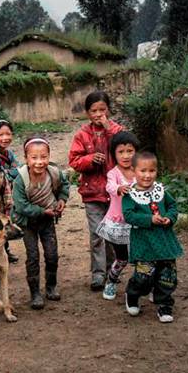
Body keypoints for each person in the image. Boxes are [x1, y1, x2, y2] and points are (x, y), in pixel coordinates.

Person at [68, 90, 125, 290]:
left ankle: (112, 271)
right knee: (97, 235)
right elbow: (74, 160)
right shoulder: (82, 134)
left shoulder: (117, 131)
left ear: (108, 110)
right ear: (87, 113)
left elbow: (125, 152)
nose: (98, 114)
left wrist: (109, 131)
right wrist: (90, 160)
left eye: (102, 109)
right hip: (92, 193)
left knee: (112, 234)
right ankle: (98, 274)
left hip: (114, 193)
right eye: (94, 110)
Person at [122, 151, 184, 323]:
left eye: (151, 171)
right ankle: (132, 294)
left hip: (165, 241)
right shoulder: (130, 194)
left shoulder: (161, 191)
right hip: (144, 243)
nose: (147, 175)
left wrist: (169, 218)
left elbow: (172, 206)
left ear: (157, 171)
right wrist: (149, 219)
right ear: (134, 170)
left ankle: (164, 304)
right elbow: (128, 215)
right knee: (144, 276)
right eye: (143, 171)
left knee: (167, 274)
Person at [11, 136, 68, 309]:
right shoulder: (20, 179)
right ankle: (35, 292)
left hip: (47, 221)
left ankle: (51, 287)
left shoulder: (54, 173)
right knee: (33, 256)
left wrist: (62, 200)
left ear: (49, 156)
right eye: (34, 158)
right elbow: (21, 206)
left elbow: (64, 186)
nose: (39, 162)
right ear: (26, 159)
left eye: (43, 157)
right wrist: (43, 211)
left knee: (52, 254)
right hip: (28, 223)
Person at [97, 131, 139, 301]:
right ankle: (111, 281)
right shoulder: (113, 174)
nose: (126, 155)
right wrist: (119, 189)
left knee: (142, 260)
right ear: (114, 154)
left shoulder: (140, 171)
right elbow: (110, 187)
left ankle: (145, 285)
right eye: (121, 152)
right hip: (118, 224)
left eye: (130, 151)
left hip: (138, 224)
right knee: (122, 259)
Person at [0, 118, 20, 263]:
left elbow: (17, 170)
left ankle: (5, 252)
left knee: (5, 221)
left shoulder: (9, 154)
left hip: (6, 194)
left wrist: (8, 173)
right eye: (1, 135)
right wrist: (9, 173)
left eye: (8, 134)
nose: (5, 138)